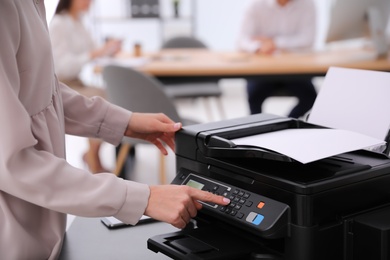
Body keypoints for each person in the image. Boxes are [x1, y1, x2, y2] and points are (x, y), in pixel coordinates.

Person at [0, 1, 230, 259]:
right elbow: (12, 161)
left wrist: (124, 121)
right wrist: (142, 197)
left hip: (43, 223)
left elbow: (41, 90)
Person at [49, 0, 123, 173]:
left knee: (113, 97)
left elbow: (94, 50)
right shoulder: (59, 23)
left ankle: (92, 154)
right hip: (62, 83)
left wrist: (109, 49)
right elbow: (60, 65)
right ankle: (93, 157)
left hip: (76, 80)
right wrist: (93, 54)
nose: (89, 2)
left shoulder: (79, 21)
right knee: (105, 101)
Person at [237, 0, 318, 119]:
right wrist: (259, 47)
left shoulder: (307, 4)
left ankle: (284, 125)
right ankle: (257, 129)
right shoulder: (256, 5)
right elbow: (241, 40)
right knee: (254, 96)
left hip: (294, 69)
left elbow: (307, 40)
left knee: (310, 97)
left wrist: (274, 43)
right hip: (263, 70)